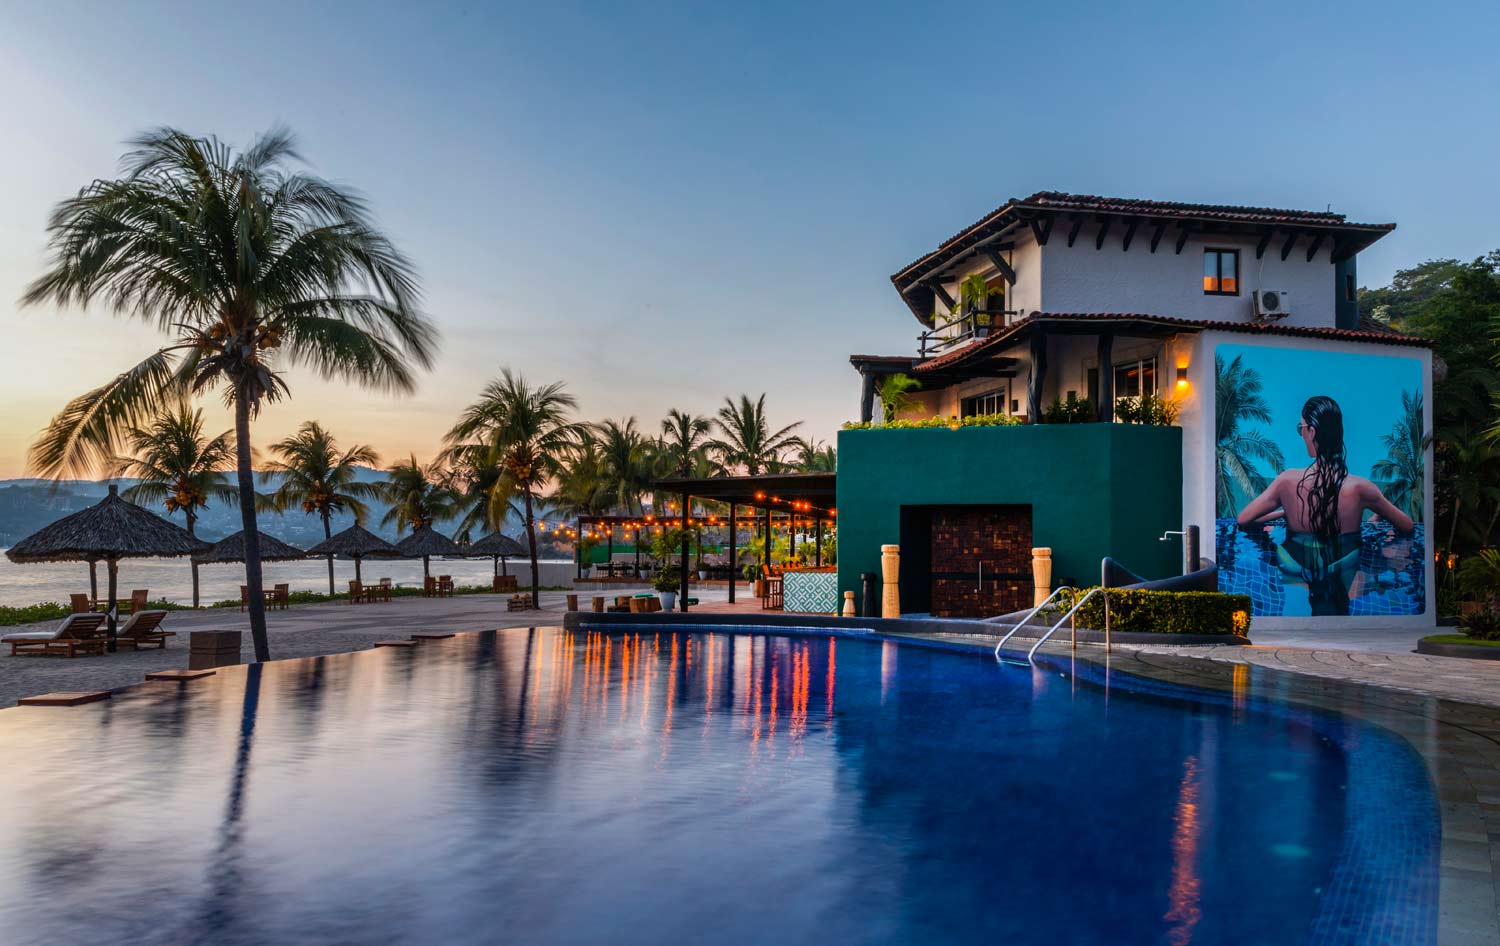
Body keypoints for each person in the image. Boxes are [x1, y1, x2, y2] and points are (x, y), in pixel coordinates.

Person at [1236, 396, 1414, 615]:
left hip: (1295, 568)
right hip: (1345, 567)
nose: (1301, 433)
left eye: (1300, 428)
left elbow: (1244, 519)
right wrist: (1374, 520)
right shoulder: (1361, 489)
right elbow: (1406, 525)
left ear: (1311, 431)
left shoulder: (1287, 482)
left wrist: (1284, 511)